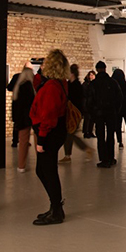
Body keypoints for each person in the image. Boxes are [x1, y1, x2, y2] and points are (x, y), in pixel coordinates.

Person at [29, 49, 70, 225]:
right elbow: (36, 83)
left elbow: (48, 116)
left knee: (48, 170)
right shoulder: (58, 82)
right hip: (54, 132)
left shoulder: (52, 87)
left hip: (50, 133)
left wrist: (42, 140)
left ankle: (56, 210)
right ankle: (55, 207)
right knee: (42, 169)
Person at [85, 61, 123, 168]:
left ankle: (104, 159)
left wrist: (92, 114)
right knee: (110, 135)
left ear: (97, 70)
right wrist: (116, 110)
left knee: (100, 136)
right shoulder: (113, 82)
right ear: (105, 69)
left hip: (99, 114)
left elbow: (89, 101)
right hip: (111, 112)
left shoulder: (93, 84)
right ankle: (111, 157)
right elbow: (119, 98)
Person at [59, 64, 93, 163]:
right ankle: (68, 155)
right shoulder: (70, 84)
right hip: (71, 113)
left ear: (72, 73)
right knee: (70, 134)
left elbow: (76, 100)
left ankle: (84, 150)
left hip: (75, 113)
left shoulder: (76, 85)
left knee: (70, 134)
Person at [7, 64, 35, 172]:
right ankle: (40, 164)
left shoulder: (18, 86)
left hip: (21, 118)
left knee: (23, 142)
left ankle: (21, 166)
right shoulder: (31, 87)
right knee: (37, 140)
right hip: (32, 116)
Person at [82, 70, 96, 138]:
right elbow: (85, 93)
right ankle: (86, 132)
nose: (92, 76)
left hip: (92, 103)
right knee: (87, 118)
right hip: (87, 103)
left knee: (92, 118)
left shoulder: (94, 84)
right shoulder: (85, 84)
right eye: (90, 75)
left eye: (93, 75)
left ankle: (90, 131)